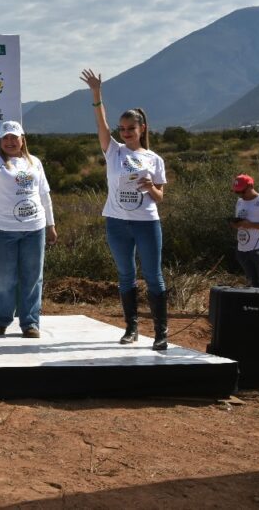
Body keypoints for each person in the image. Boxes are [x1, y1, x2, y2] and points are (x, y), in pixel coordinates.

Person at [80, 69, 169, 350]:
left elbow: (159, 197)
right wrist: (96, 92)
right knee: (125, 275)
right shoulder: (114, 151)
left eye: (131, 128)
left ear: (142, 129)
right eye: (122, 128)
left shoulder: (154, 159)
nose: (126, 132)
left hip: (146, 223)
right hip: (117, 222)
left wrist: (150, 187)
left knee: (153, 276)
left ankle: (161, 332)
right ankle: (131, 328)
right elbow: (101, 123)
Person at [0, 121, 57, 338]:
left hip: (34, 228)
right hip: (2, 229)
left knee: (32, 277)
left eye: (14, 137)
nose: (10, 141)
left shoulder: (35, 162)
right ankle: (2, 319)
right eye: (5, 138)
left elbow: (44, 195)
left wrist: (51, 224)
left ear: (22, 139)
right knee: (3, 278)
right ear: (0, 141)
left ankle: (30, 323)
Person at [231, 173, 259, 289]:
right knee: (252, 286)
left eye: (242, 191)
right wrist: (236, 224)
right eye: (237, 192)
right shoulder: (240, 202)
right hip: (243, 249)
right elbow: (241, 222)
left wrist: (251, 225)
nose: (240, 195)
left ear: (251, 186)